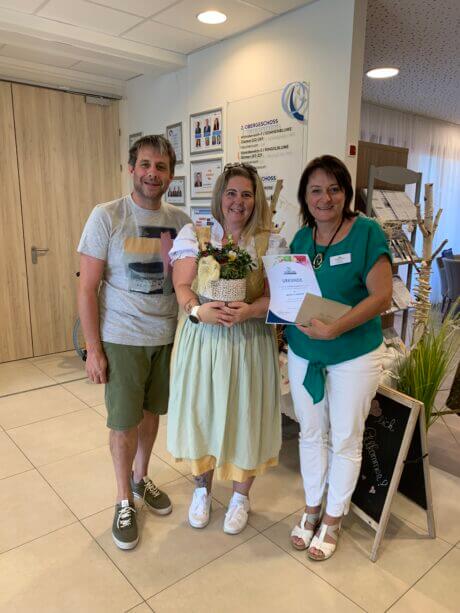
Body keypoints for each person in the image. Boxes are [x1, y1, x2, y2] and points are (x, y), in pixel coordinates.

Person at [77, 135, 191, 550]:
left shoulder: (181, 222)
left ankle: (142, 479)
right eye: (145, 165)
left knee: (150, 414)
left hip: (164, 337)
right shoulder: (107, 216)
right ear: (131, 169)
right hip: (122, 338)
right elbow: (87, 288)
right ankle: (123, 499)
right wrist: (94, 349)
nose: (152, 174)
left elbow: (188, 279)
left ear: (171, 175)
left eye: (161, 167)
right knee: (123, 422)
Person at [167, 162, 287, 535]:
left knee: (245, 414)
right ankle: (201, 490)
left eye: (247, 194)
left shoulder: (270, 241)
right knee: (202, 410)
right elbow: (182, 286)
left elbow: (277, 297)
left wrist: (250, 310)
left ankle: (240, 497)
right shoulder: (195, 234)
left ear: (257, 199)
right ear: (220, 196)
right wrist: (197, 310)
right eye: (231, 193)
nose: (238, 201)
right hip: (203, 340)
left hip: (249, 342)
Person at [287, 155, 392, 561]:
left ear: (346, 192)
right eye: (315, 190)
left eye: (334, 189)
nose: (325, 198)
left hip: (353, 356)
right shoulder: (301, 239)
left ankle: (333, 518)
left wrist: (335, 328)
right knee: (311, 433)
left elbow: (381, 296)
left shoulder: (366, 232)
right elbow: (292, 293)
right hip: (305, 354)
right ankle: (312, 507)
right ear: (305, 197)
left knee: (346, 437)